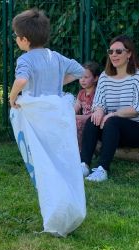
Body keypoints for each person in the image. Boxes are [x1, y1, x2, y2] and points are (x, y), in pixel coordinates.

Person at [9, 8, 86, 237]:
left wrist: (13, 98)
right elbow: (81, 71)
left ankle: (54, 215)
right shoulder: (56, 57)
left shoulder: (25, 59)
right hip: (58, 116)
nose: (16, 39)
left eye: (16, 35)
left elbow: (22, 80)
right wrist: (59, 81)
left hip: (36, 118)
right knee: (61, 162)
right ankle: (68, 209)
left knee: (43, 166)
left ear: (25, 39)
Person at [79, 35, 139, 182]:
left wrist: (113, 114)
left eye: (119, 51)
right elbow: (99, 102)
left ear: (129, 54)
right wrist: (99, 110)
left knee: (112, 121)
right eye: (111, 51)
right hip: (112, 130)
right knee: (92, 120)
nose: (114, 55)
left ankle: (102, 169)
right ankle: (84, 165)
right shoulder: (104, 77)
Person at [74, 61, 100, 153]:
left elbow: (94, 115)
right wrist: (69, 114)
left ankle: (81, 151)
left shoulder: (97, 94)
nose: (82, 80)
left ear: (95, 78)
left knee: (77, 121)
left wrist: (76, 117)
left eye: (86, 77)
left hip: (93, 121)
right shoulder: (81, 93)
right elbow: (77, 106)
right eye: (80, 77)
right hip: (82, 119)